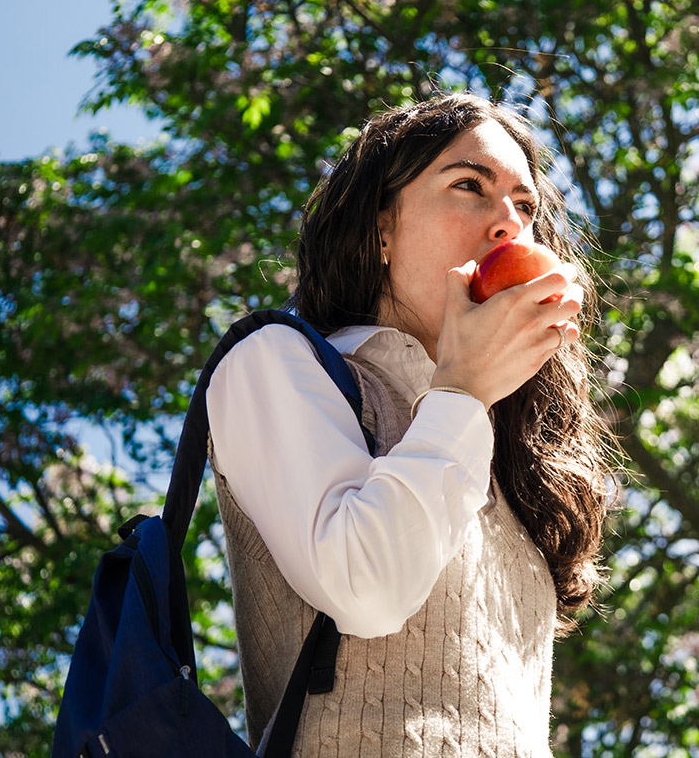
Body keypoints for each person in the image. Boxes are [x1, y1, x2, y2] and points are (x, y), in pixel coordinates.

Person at [206, 93, 618, 757]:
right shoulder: (277, 362)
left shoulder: (491, 448)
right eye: (469, 186)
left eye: (525, 206)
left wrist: (465, 397)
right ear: (381, 230)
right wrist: (461, 390)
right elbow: (365, 587)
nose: (507, 224)